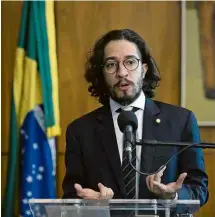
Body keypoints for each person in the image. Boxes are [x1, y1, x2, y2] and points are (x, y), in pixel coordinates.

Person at [62, 29, 208, 208]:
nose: (122, 72)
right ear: (101, 74)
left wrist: (174, 196)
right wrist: (88, 203)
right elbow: (71, 197)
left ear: (144, 69)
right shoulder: (80, 131)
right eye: (111, 64)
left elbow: (199, 189)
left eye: (130, 62)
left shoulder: (181, 121)